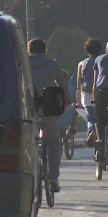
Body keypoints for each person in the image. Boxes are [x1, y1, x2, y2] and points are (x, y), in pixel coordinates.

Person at [28, 38, 67, 192]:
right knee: (53, 141)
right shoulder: (52, 63)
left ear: (29, 51)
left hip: (28, 108)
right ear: (45, 50)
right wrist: (67, 101)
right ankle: (52, 177)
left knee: (26, 141)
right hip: (49, 108)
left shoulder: (21, 63)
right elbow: (62, 84)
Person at [77, 38, 103, 148]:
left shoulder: (82, 64)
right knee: (102, 118)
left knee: (90, 119)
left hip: (86, 95)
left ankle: (91, 130)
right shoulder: (103, 61)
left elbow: (79, 83)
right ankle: (101, 137)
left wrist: (78, 100)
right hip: (101, 93)